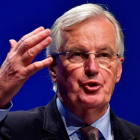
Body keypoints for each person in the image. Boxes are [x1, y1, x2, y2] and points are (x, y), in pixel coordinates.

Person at [0, 3, 140, 140]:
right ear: (53, 68)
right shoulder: (13, 131)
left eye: (103, 55)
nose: (92, 68)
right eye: (77, 54)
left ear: (119, 69)